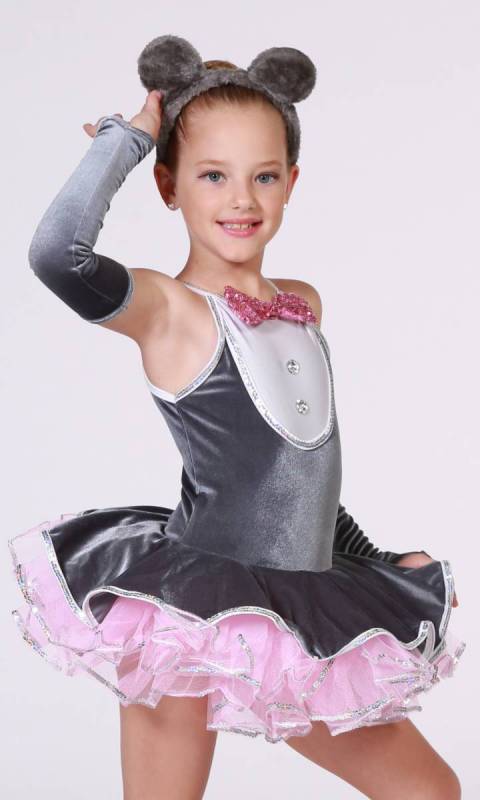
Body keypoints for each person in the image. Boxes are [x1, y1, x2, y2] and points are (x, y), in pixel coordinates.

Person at [9, 35, 465, 800]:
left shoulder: (303, 304)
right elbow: (59, 256)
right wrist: (127, 139)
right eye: (212, 175)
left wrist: (372, 556)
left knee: (428, 790)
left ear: (291, 182)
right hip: (187, 611)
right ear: (170, 185)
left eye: (263, 176)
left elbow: (299, 468)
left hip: (302, 601)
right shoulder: (169, 309)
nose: (241, 200)